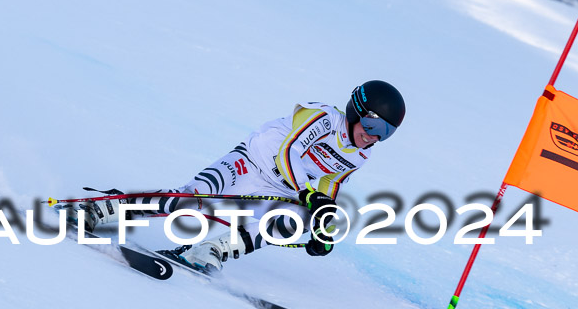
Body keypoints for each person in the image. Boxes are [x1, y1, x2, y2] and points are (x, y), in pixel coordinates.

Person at [81, 80, 406, 272]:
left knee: (297, 220)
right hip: (250, 161)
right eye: (373, 126)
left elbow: (328, 186)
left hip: (283, 189)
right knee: (189, 201)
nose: (374, 137)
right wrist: (309, 194)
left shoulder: (361, 154)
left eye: (386, 134)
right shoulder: (323, 118)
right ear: (355, 112)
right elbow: (288, 151)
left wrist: (323, 227)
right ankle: (98, 209)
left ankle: (210, 252)